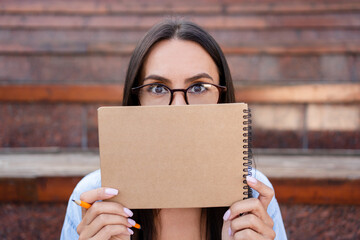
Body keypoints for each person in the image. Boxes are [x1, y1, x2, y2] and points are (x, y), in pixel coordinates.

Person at [61, 19, 287, 240]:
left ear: (223, 98)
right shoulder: (95, 199)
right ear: (136, 99)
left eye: (199, 87)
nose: (178, 107)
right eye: (158, 88)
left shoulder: (254, 196)